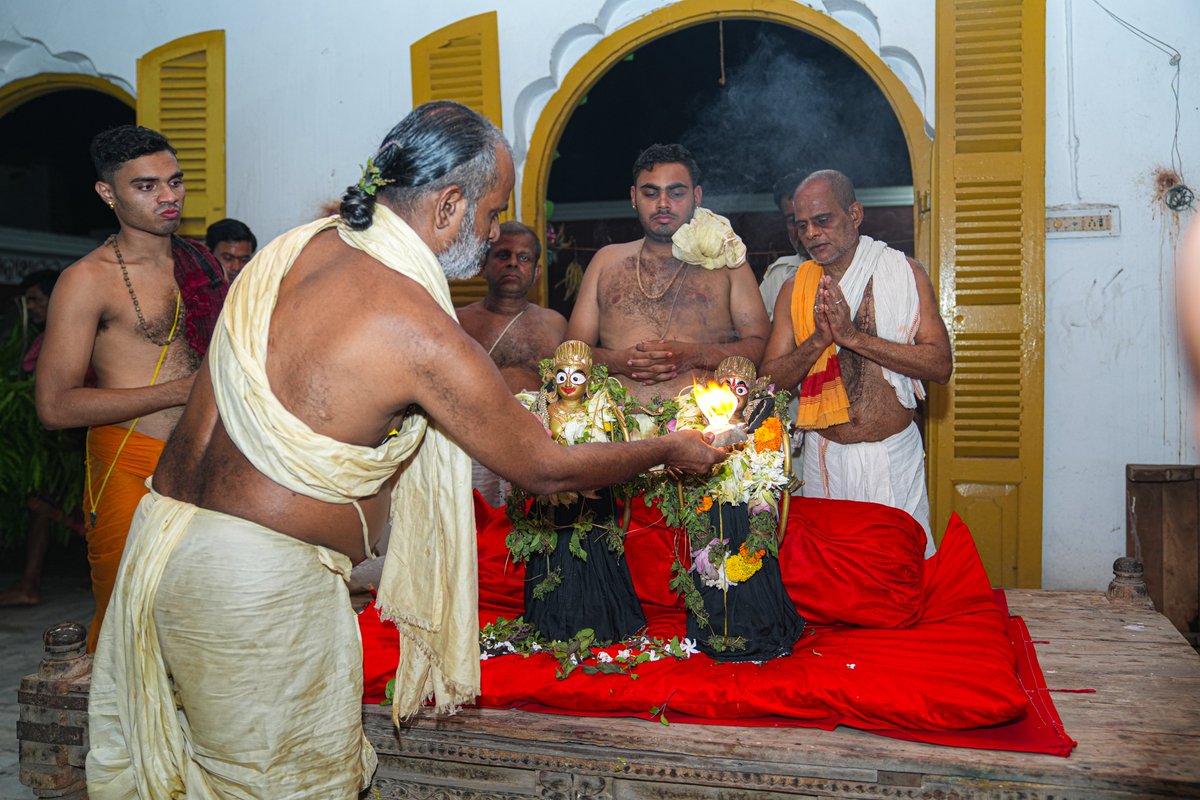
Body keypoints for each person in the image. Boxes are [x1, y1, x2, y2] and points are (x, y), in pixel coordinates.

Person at [86, 102, 724, 799]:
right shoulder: (415, 323)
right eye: (491, 212)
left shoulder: (294, 248)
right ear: (449, 205)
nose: (491, 234)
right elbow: (543, 467)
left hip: (164, 548)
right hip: (254, 584)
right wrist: (668, 449)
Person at [34, 125, 227, 651]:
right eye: (146, 186)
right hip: (129, 459)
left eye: (175, 181)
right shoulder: (86, 280)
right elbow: (55, 406)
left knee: (209, 622)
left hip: (209, 459)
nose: (168, 197)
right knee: (130, 625)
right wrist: (178, 391)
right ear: (107, 193)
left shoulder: (202, 262)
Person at [760, 169, 951, 556]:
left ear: (855, 214)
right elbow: (769, 380)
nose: (811, 233)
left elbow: (940, 364)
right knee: (831, 585)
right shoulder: (794, 289)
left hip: (893, 458)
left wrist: (853, 338)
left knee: (900, 576)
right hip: (823, 459)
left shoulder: (903, 273)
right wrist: (818, 340)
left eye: (823, 220)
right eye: (802, 225)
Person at [566, 143, 770, 404]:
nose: (663, 204)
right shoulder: (606, 261)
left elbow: (760, 347)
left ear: (696, 196)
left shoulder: (727, 261)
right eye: (651, 194)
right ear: (633, 197)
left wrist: (693, 355)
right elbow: (570, 355)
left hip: (705, 429)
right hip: (616, 430)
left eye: (676, 193)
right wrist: (619, 361)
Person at [458, 221, 567, 505]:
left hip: (537, 449)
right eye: (502, 255)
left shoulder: (554, 324)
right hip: (476, 450)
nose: (513, 264)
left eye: (524, 258)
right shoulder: (458, 321)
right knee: (477, 537)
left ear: (537, 272)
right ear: (482, 265)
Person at [0, 270, 68, 607]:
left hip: (65, 443)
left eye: (36, 299)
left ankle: (30, 583)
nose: (32, 307)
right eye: (28, 301)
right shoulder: (39, 336)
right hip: (47, 439)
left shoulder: (68, 334)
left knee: (46, 506)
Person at [759, 170, 807, 321]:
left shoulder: (865, 268)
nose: (805, 229)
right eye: (792, 220)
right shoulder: (779, 275)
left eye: (820, 218)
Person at [205, 217, 257, 282]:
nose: (236, 267)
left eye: (244, 260)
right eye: (228, 258)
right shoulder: (193, 288)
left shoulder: (259, 289)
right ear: (208, 255)